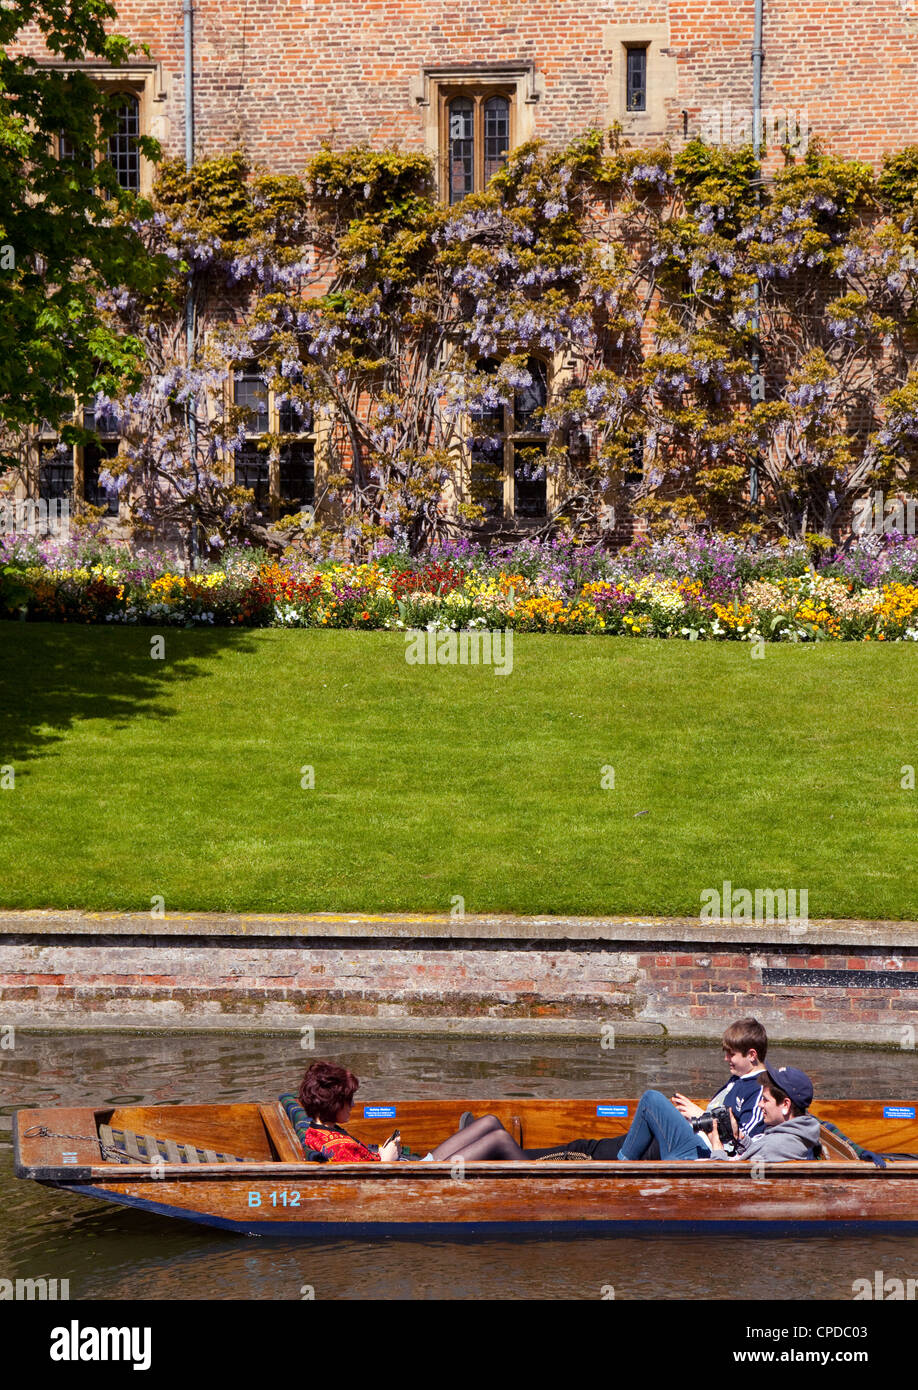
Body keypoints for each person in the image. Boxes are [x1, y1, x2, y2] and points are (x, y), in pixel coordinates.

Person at [615, 1062, 820, 1162]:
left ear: (785, 1105)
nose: (760, 1105)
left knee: (651, 1100)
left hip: (694, 1175)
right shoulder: (798, 1131)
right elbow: (751, 1158)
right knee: (653, 1101)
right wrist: (738, 1135)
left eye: (765, 1100)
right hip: (718, 1160)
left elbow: (724, 1178)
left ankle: (618, 1173)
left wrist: (716, 1143)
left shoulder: (778, 1145)